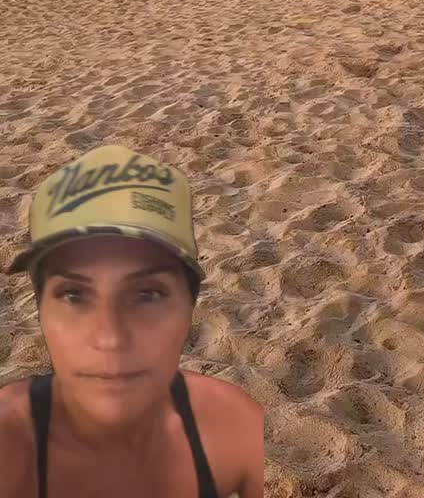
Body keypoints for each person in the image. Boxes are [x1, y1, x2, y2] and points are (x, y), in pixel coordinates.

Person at [0, 144, 264, 497]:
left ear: (190, 304)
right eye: (74, 295)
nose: (110, 337)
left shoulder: (233, 428)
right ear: (41, 307)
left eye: (147, 294)